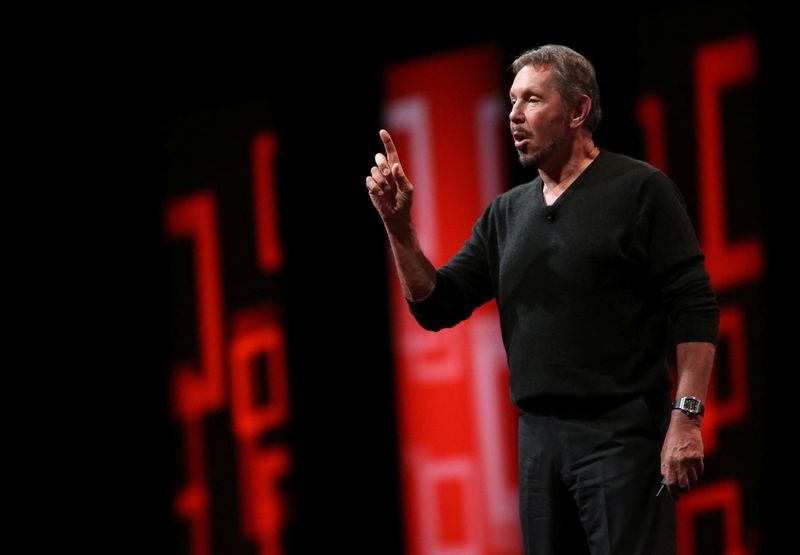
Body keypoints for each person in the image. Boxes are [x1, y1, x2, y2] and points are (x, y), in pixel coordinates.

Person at [365, 44, 718, 555]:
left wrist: (686, 417)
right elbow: (436, 305)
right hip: (538, 443)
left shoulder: (640, 190)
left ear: (577, 110)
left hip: (621, 435)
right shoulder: (506, 215)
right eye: (512, 100)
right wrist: (399, 228)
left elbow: (695, 306)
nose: (513, 114)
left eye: (531, 99)